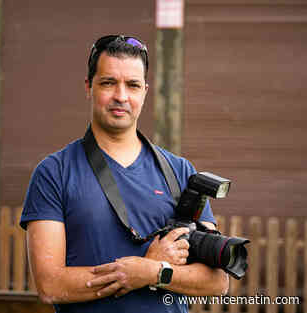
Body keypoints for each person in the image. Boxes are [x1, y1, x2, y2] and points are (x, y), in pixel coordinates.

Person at [20, 34, 228, 313]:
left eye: (132, 85)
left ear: (144, 91)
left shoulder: (179, 171)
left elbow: (216, 282)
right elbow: (50, 285)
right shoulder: (54, 173)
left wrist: (153, 272)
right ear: (88, 87)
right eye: (108, 83)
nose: (121, 96)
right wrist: (134, 271)